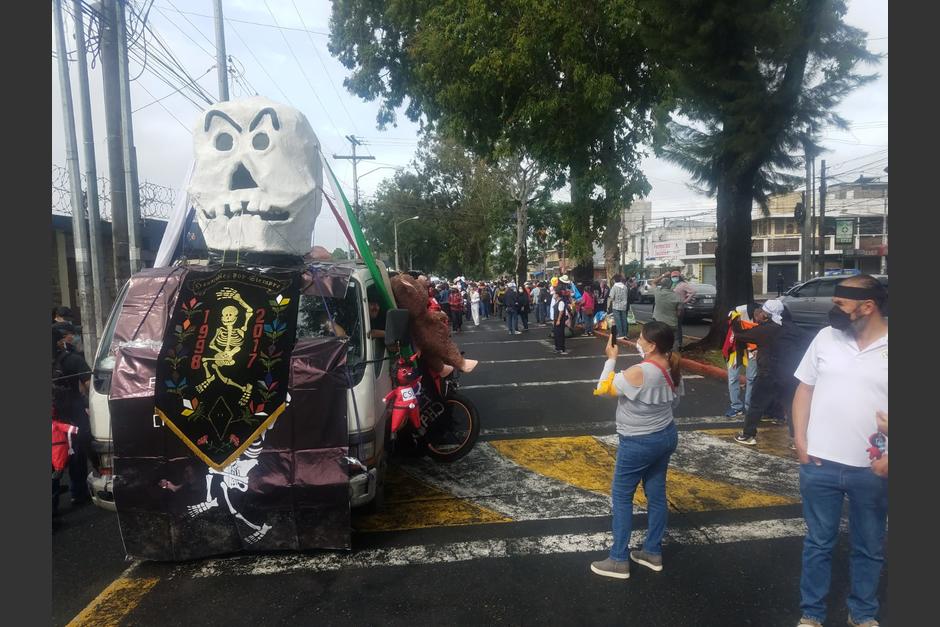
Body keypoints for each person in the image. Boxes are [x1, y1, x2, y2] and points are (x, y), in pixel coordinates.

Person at [792, 275, 888, 627]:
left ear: (867, 307)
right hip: (819, 464)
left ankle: (863, 612)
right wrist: (800, 440)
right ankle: (812, 613)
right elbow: (805, 389)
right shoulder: (825, 338)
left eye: (840, 305)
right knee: (818, 542)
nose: (833, 310)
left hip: (873, 467)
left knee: (869, 546)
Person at [590, 321, 683, 579]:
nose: (638, 342)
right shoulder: (673, 367)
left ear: (652, 345)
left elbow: (603, 389)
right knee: (656, 494)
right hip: (666, 435)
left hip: (638, 442)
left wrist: (611, 359)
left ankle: (618, 559)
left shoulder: (639, 372)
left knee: (621, 496)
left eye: (641, 338)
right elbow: (675, 400)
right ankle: (652, 551)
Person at [730, 300, 786, 445]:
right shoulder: (787, 328)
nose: (759, 313)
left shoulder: (765, 330)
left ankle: (748, 435)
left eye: (762, 311)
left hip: (768, 372)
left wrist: (734, 320)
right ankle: (796, 437)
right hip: (786, 371)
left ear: (767, 315)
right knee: (789, 403)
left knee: (756, 403)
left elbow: (740, 335)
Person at [52, 322, 93, 506]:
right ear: (59, 342)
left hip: (53, 418)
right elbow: (89, 385)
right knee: (76, 453)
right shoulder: (74, 360)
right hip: (74, 414)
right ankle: (78, 493)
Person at [722, 303, 759, 417]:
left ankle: (749, 407)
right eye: (759, 316)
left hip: (753, 349)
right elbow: (731, 323)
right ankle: (736, 407)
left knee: (751, 378)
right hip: (735, 348)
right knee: (733, 378)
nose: (760, 319)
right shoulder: (738, 311)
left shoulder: (764, 317)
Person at [651, 275, 681, 349]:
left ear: (661, 285)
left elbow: (653, 282)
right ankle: (674, 356)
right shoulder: (677, 296)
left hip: (659, 322)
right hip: (672, 323)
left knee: (659, 340)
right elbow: (679, 313)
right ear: (671, 285)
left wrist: (663, 275)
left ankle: (661, 355)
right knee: (674, 340)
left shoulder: (657, 292)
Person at [672, 271, 696, 350]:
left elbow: (693, 291)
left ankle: (679, 344)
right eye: (672, 276)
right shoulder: (672, 284)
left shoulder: (683, 284)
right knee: (671, 326)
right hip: (671, 308)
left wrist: (685, 300)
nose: (674, 278)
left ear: (679, 277)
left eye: (675, 276)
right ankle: (672, 343)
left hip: (679, 307)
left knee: (678, 327)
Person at [552, 287, 569, 354]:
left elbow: (561, 312)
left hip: (560, 320)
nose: (553, 295)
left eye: (554, 294)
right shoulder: (556, 301)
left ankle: (561, 348)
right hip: (556, 319)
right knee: (556, 334)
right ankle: (557, 348)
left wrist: (558, 320)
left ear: (557, 295)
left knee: (560, 334)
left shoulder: (561, 302)